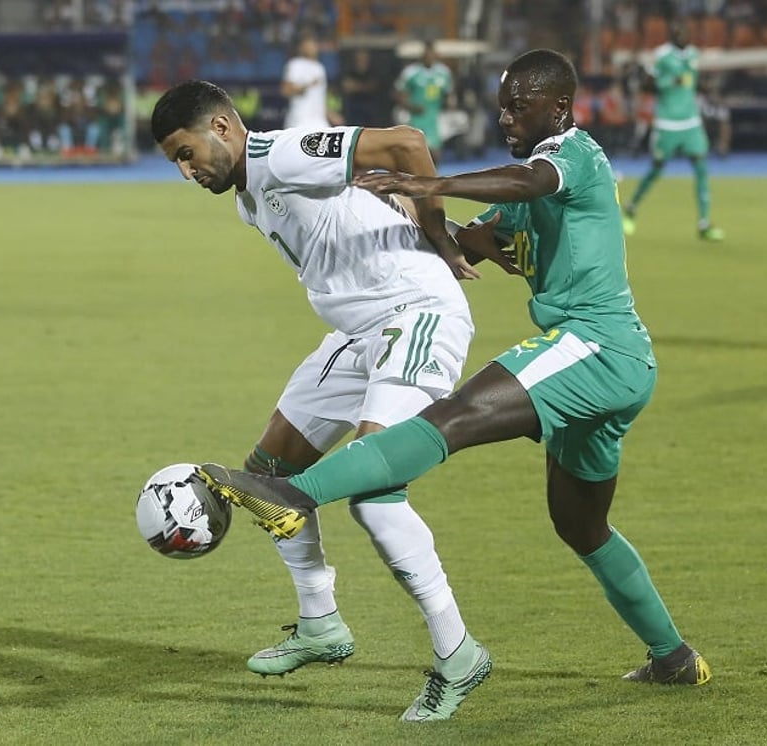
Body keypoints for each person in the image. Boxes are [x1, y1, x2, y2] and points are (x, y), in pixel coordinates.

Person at [194, 49, 712, 692]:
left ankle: (294, 495)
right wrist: (406, 214)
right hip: (599, 364)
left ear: (559, 106)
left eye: (518, 106)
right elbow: (482, 238)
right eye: (502, 105)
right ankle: (674, 658)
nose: (506, 117)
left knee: (456, 415)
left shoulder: (578, 154)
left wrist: (426, 184)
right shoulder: (528, 190)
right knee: (580, 525)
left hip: (598, 345)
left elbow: (528, 182)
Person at [150, 79, 515, 722]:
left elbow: (405, 146)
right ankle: (321, 624)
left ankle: (459, 653)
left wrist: (441, 235)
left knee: (375, 490)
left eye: (186, 152)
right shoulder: (248, 196)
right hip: (360, 332)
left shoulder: (281, 155)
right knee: (269, 469)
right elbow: (367, 206)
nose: (186, 171)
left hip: (415, 314)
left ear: (223, 128)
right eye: (175, 161)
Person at [621, 20, 724, 241]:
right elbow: (647, 85)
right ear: (671, 34)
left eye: (684, 30)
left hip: (691, 122)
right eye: (677, 31)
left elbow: (692, 83)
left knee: (701, 167)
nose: (681, 34)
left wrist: (707, 87)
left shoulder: (693, 55)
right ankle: (631, 207)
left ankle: (704, 223)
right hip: (667, 122)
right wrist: (669, 81)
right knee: (656, 169)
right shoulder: (662, 56)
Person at [394, 43, 454, 161]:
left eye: (432, 54)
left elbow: (448, 93)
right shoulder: (411, 73)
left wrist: (450, 102)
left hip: (434, 117)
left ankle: (433, 178)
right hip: (416, 118)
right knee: (415, 155)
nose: (429, 57)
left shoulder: (443, 72)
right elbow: (400, 94)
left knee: (436, 154)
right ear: (422, 56)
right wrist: (411, 106)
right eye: (427, 55)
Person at [280, 34, 330, 129]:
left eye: (313, 44)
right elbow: (285, 90)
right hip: (299, 121)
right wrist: (307, 86)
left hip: (319, 122)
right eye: (308, 44)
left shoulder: (320, 68)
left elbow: (319, 100)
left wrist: (331, 115)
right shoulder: (295, 64)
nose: (312, 47)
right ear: (301, 47)